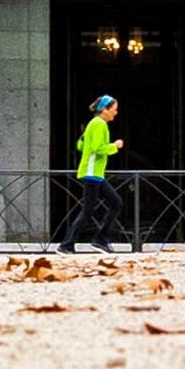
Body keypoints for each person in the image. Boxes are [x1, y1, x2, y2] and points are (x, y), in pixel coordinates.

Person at [59, 93, 124, 252]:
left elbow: (81, 146)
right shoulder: (99, 124)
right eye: (114, 109)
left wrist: (85, 138)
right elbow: (97, 149)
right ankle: (67, 245)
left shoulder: (94, 123)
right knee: (90, 209)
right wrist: (114, 146)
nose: (116, 112)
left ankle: (99, 239)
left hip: (95, 173)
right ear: (105, 110)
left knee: (115, 203)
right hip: (92, 172)